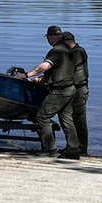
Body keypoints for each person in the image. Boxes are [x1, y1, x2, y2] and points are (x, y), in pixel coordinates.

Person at [24, 25, 79, 158]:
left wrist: (27, 75)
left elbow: (45, 66)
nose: (47, 40)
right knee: (66, 119)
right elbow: (61, 70)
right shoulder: (68, 50)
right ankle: (73, 149)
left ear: (50, 37)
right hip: (71, 89)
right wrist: (43, 80)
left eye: (47, 37)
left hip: (59, 90)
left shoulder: (56, 50)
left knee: (42, 117)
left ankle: (49, 150)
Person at [61, 31, 88, 156]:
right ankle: (73, 146)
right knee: (70, 118)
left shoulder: (77, 52)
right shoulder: (76, 51)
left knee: (79, 119)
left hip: (79, 89)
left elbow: (69, 69)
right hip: (74, 87)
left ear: (67, 42)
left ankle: (81, 148)